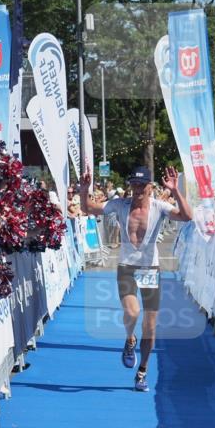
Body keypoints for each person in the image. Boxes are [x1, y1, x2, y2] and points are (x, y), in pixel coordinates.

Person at [79, 166, 192, 392]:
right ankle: (130, 339)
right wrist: (84, 190)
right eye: (134, 184)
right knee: (132, 313)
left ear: (150, 187)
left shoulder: (159, 207)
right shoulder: (120, 205)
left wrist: (175, 190)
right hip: (127, 267)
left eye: (142, 185)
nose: (138, 189)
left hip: (150, 269)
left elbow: (187, 217)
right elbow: (88, 208)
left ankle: (142, 372)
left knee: (150, 326)